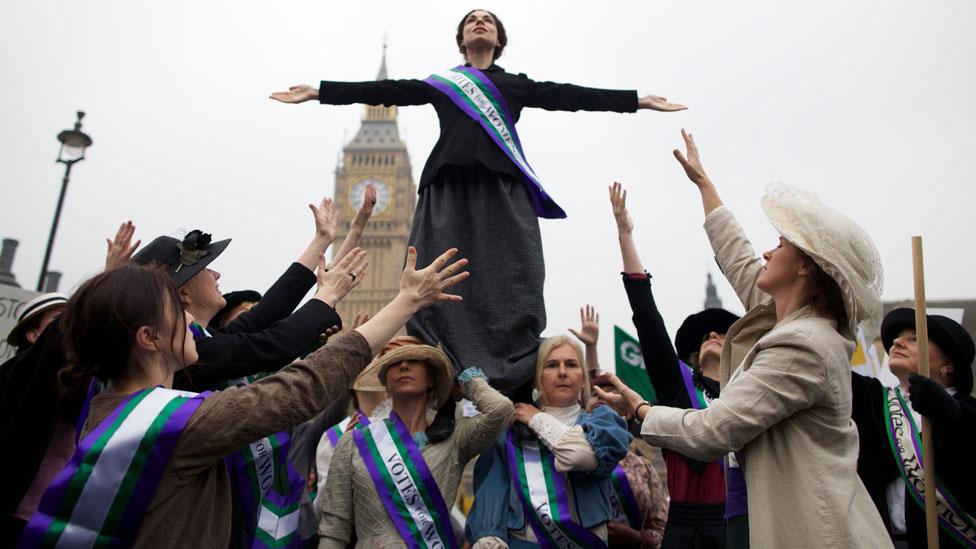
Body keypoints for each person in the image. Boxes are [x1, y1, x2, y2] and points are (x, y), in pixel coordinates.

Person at [270, 9, 686, 393]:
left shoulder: (512, 84)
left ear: (499, 38)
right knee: (437, 280)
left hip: (502, 194)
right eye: (472, 19)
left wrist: (636, 101)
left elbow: (569, 95)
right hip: (447, 191)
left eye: (488, 19)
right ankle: (446, 380)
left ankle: (512, 375)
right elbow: (387, 89)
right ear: (462, 39)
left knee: (513, 278)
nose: (480, 22)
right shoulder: (444, 84)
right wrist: (319, 92)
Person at [19, 245, 469, 548]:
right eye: (178, 311)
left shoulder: (106, 409)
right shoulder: (180, 424)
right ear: (149, 337)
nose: (193, 320)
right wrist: (405, 303)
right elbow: (298, 390)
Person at [596, 130, 890, 547]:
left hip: (816, 533)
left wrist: (640, 409)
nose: (767, 253)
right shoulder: (789, 318)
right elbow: (738, 256)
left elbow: (711, 432)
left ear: (807, 267)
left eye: (781, 244)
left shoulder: (800, 344)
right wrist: (705, 186)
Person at [609, 180, 741, 547]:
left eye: (722, 333)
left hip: (739, 521)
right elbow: (648, 322)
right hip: (686, 526)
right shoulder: (679, 386)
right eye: (705, 336)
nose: (714, 335)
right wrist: (625, 234)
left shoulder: (748, 391)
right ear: (694, 355)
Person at [317, 341, 513, 548]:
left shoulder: (455, 440)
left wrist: (466, 383)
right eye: (395, 363)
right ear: (385, 382)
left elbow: (500, 410)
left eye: (413, 361)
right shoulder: (354, 442)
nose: (403, 366)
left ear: (431, 379)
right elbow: (334, 528)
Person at [465, 336, 631, 548]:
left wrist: (537, 419)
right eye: (551, 365)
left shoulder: (605, 423)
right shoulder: (509, 431)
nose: (562, 372)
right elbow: (492, 490)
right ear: (536, 378)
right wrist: (489, 538)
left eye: (571, 364)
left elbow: (581, 456)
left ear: (583, 378)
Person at [852, 309, 976, 547]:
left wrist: (948, 414)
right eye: (898, 337)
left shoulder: (967, 413)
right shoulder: (874, 401)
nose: (897, 341)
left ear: (947, 364)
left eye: (914, 338)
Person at [590, 373, 668, 549]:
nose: (601, 397)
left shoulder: (643, 468)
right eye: (594, 394)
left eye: (610, 393)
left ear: (625, 412)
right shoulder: (568, 458)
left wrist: (638, 539)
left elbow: (662, 529)